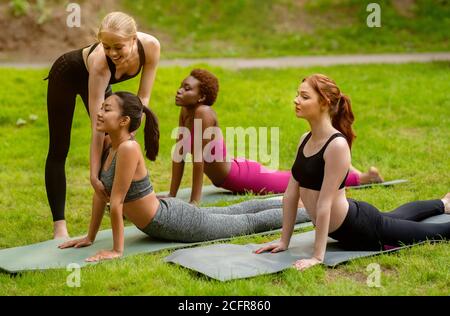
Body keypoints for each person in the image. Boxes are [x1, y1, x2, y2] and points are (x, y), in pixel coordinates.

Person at [58, 92, 310, 262]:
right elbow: (100, 195)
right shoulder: (111, 145)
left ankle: (313, 211)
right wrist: (89, 237)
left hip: (172, 222)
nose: (100, 113)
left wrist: (116, 250)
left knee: (245, 222)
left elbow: (118, 202)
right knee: (237, 211)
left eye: (107, 109)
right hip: (167, 212)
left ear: (124, 120)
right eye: (101, 108)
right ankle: (296, 203)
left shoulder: (127, 148)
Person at [255, 74, 450, 271]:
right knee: (399, 215)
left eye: (305, 97)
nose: (296, 100)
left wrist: (317, 257)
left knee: (435, 232)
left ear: (324, 102)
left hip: (361, 228)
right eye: (298, 95)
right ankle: (443, 204)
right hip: (349, 220)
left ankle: (442, 206)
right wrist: (283, 242)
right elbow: (290, 195)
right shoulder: (304, 139)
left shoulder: (336, 145)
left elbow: (325, 204)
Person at [168, 69, 383, 205]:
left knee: (297, 181)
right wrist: (171, 195)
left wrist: (194, 202)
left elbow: (198, 160)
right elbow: (180, 155)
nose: (179, 91)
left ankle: (363, 178)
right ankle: (350, 169)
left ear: (202, 97)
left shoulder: (202, 113)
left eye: (186, 88)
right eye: (181, 86)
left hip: (241, 176)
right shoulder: (186, 111)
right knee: (294, 177)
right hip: (235, 168)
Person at [45, 12, 160, 238]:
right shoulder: (100, 62)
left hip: (100, 82)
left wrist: (132, 129)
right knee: (59, 149)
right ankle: (59, 225)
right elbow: (98, 125)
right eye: (106, 46)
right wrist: (93, 175)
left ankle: (120, 204)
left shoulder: (151, 47)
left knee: (117, 142)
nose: (112, 53)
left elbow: (143, 98)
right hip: (66, 76)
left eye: (118, 47)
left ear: (134, 39)